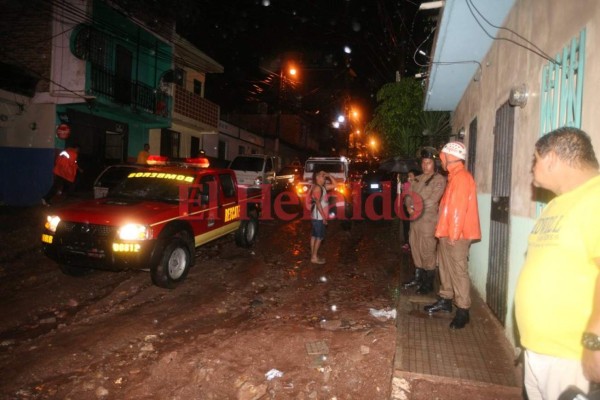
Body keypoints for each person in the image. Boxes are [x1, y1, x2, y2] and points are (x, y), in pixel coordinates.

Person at [515, 127, 600, 399]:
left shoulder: (595, 198)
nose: (532, 168)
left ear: (551, 158)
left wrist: (594, 341)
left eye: (535, 160)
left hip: (571, 357)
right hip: (539, 350)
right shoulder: (556, 204)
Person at [424, 141, 481, 330]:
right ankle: (446, 300)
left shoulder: (462, 178)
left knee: (458, 272)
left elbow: (458, 210)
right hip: (447, 233)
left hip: (456, 235)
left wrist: (453, 235)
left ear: (449, 156)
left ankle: (463, 310)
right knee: (446, 270)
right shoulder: (454, 177)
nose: (441, 159)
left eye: (443, 155)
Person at [402, 149, 446, 294]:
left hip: (428, 222)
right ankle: (418, 277)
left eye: (429, 162)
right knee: (415, 248)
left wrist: (416, 205)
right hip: (415, 221)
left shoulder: (439, 180)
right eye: (424, 162)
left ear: (434, 164)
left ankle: (428, 283)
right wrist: (408, 206)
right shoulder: (417, 179)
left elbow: (433, 199)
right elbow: (408, 195)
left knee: (427, 251)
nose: (425, 165)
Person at [310, 170, 336, 264]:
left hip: (317, 216)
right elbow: (317, 203)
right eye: (322, 176)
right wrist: (324, 217)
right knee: (319, 237)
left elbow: (335, 185)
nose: (324, 177)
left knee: (314, 236)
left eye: (324, 176)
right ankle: (314, 257)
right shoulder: (317, 188)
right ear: (317, 178)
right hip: (319, 217)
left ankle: (313, 255)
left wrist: (329, 174)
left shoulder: (322, 187)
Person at [401, 169, 419, 251]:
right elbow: (404, 196)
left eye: (411, 175)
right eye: (408, 176)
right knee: (406, 225)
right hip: (406, 208)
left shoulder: (418, 184)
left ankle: (414, 244)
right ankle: (407, 243)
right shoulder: (406, 184)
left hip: (415, 208)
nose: (409, 177)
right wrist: (403, 189)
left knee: (414, 226)